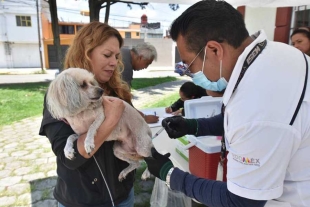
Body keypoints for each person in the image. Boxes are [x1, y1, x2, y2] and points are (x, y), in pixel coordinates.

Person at [144, 1, 310, 207]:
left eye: (189, 64)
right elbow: (233, 119)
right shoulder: (275, 54)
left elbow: (240, 201)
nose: (191, 74)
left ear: (214, 50)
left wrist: (170, 175)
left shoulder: (257, 107)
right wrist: (193, 126)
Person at [39, 22, 136, 207]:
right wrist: (111, 119)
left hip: (123, 194)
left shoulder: (116, 89)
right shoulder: (60, 95)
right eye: (107, 55)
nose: (115, 62)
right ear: (85, 52)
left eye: (116, 56)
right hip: (82, 200)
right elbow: (70, 157)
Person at [121, 42, 159, 123]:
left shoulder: (123, 52)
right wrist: (143, 118)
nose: (146, 67)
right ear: (140, 58)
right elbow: (123, 100)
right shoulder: (126, 66)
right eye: (147, 63)